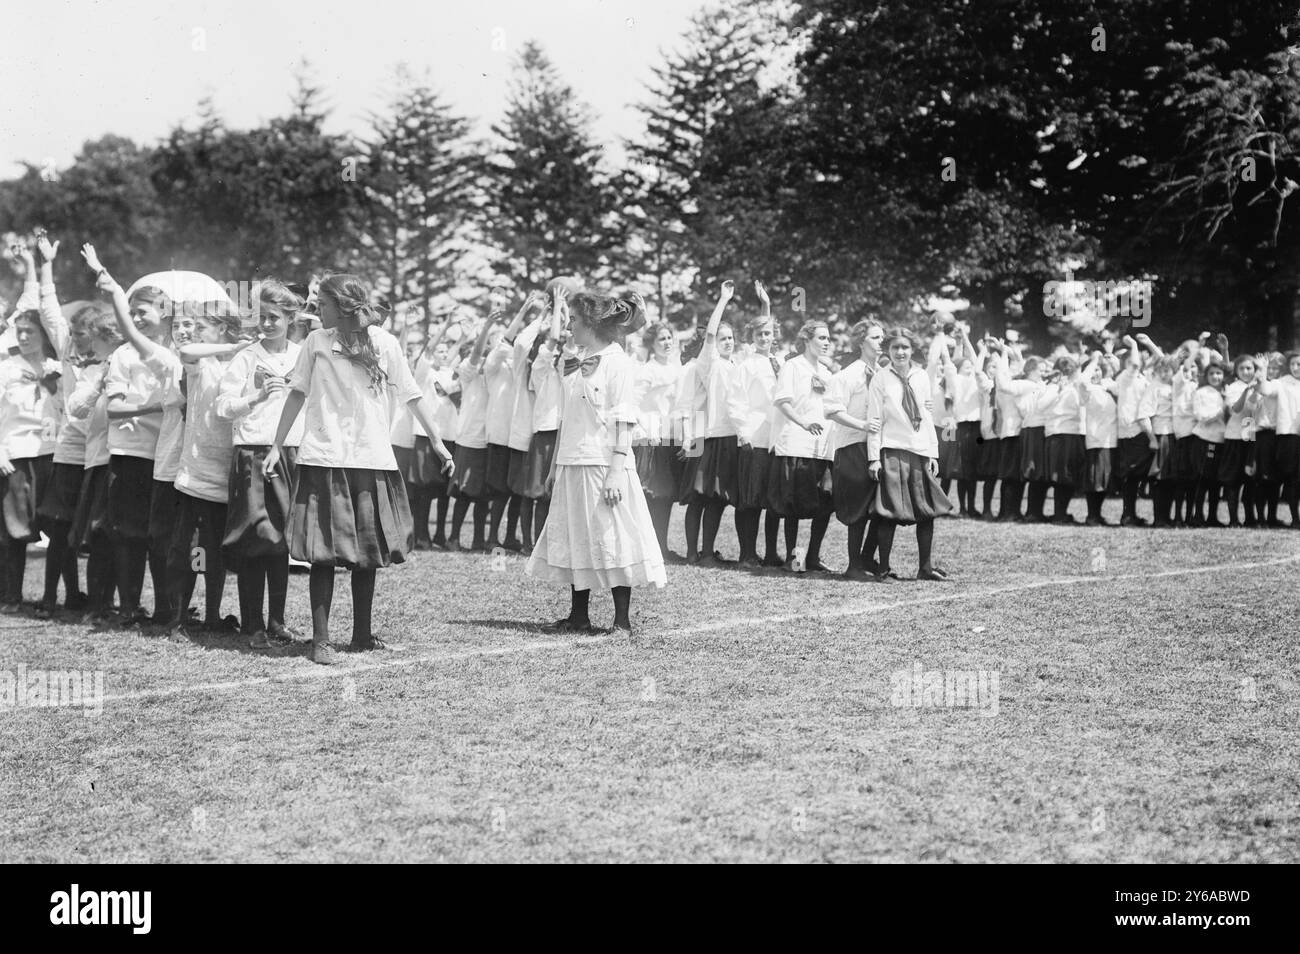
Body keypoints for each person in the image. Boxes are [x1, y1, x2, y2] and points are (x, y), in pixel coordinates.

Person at [263, 274, 454, 665]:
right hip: (324, 457)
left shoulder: (385, 343)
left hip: (371, 459)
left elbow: (411, 393)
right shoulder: (316, 342)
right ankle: (321, 641)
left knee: (368, 550)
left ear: (343, 305)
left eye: (323, 304)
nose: (316, 310)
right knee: (323, 552)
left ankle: (362, 635)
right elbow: (297, 392)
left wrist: (436, 440)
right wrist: (277, 444)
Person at [525, 288, 665, 634]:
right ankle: (579, 615)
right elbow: (566, 420)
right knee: (578, 536)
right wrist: (555, 467)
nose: (569, 326)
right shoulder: (573, 361)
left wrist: (617, 472)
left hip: (605, 465)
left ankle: (622, 620)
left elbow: (623, 420)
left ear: (590, 322)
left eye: (573, 319)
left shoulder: (618, 362)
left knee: (612, 535)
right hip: (573, 462)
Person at [81, 244, 178, 626]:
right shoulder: (123, 355)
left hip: (168, 455)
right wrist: (152, 406)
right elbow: (115, 409)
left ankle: (166, 609)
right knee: (128, 535)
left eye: (144, 312)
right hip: (129, 453)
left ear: (165, 314)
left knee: (162, 536)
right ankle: (128, 607)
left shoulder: (181, 351)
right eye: (132, 312)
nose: (137, 318)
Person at [216, 279, 305, 648]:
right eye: (262, 317)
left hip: (290, 454)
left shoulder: (302, 355)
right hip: (252, 453)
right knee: (255, 537)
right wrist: (254, 396)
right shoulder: (246, 357)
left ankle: (277, 621)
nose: (267, 324)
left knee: (282, 537)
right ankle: (251, 624)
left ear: (290, 318)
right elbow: (222, 407)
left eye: (274, 317)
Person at [0, 239, 69, 611]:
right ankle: (10, 596)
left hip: (52, 455)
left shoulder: (60, 368)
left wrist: (41, 266)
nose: (24, 336)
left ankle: (57, 597)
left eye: (31, 332)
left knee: (58, 526)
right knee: (14, 531)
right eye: (20, 332)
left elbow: (41, 308)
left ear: (44, 336)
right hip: (15, 455)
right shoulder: (5, 368)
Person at [865, 331, 953, 581]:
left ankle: (925, 568)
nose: (900, 352)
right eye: (895, 347)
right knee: (889, 511)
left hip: (919, 450)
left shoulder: (922, 376)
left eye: (904, 347)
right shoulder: (880, 379)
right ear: (888, 350)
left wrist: (932, 453)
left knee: (927, 510)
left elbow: (927, 416)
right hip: (892, 450)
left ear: (912, 350)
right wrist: (874, 457)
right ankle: (883, 568)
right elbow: (874, 419)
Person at [767, 319, 836, 572]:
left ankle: (814, 557)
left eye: (828, 338)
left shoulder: (828, 372)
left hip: (822, 448)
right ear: (807, 340)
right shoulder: (792, 366)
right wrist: (804, 423)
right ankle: (792, 559)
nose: (826, 342)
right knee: (793, 505)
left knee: (826, 503)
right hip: (795, 444)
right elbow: (782, 402)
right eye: (821, 338)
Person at [679, 281, 740, 566]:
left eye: (731, 338)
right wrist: (723, 299)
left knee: (717, 497)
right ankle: (692, 552)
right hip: (704, 437)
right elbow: (712, 334)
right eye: (723, 338)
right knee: (698, 496)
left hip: (727, 437)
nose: (727, 342)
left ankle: (706, 553)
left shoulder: (735, 366)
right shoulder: (709, 361)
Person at [727, 281, 782, 568]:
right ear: (753, 336)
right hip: (753, 439)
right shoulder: (746, 364)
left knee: (772, 500)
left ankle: (771, 553)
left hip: (777, 439)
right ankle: (747, 553)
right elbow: (736, 401)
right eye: (759, 333)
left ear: (775, 336)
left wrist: (767, 304)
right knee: (749, 499)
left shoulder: (781, 362)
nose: (764, 337)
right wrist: (744, 435)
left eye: (768, 333)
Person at [825, 319, 885, 579]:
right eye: (875, 338)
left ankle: (867, 558)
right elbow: (832, 411)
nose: (881, 342)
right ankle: (853, 566)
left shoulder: (883, 374)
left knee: (881, 506)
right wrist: (863, 424)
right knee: (859, 508)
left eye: (882, 337)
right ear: (861, 342)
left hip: (877, 448)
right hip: (852, 447)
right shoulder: (848, 375)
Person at [632, 320, 684, 560]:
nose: (666, 343)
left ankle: (661, 547)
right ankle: (648, 549)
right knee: (652, 495)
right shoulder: (648, 370)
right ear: (652, 344)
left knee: (667, 496)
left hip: (671, 437)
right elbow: (634, 403)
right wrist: (646, 428)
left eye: (669, 338)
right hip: (652, 439)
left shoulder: (676, 368)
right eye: (661, 339)